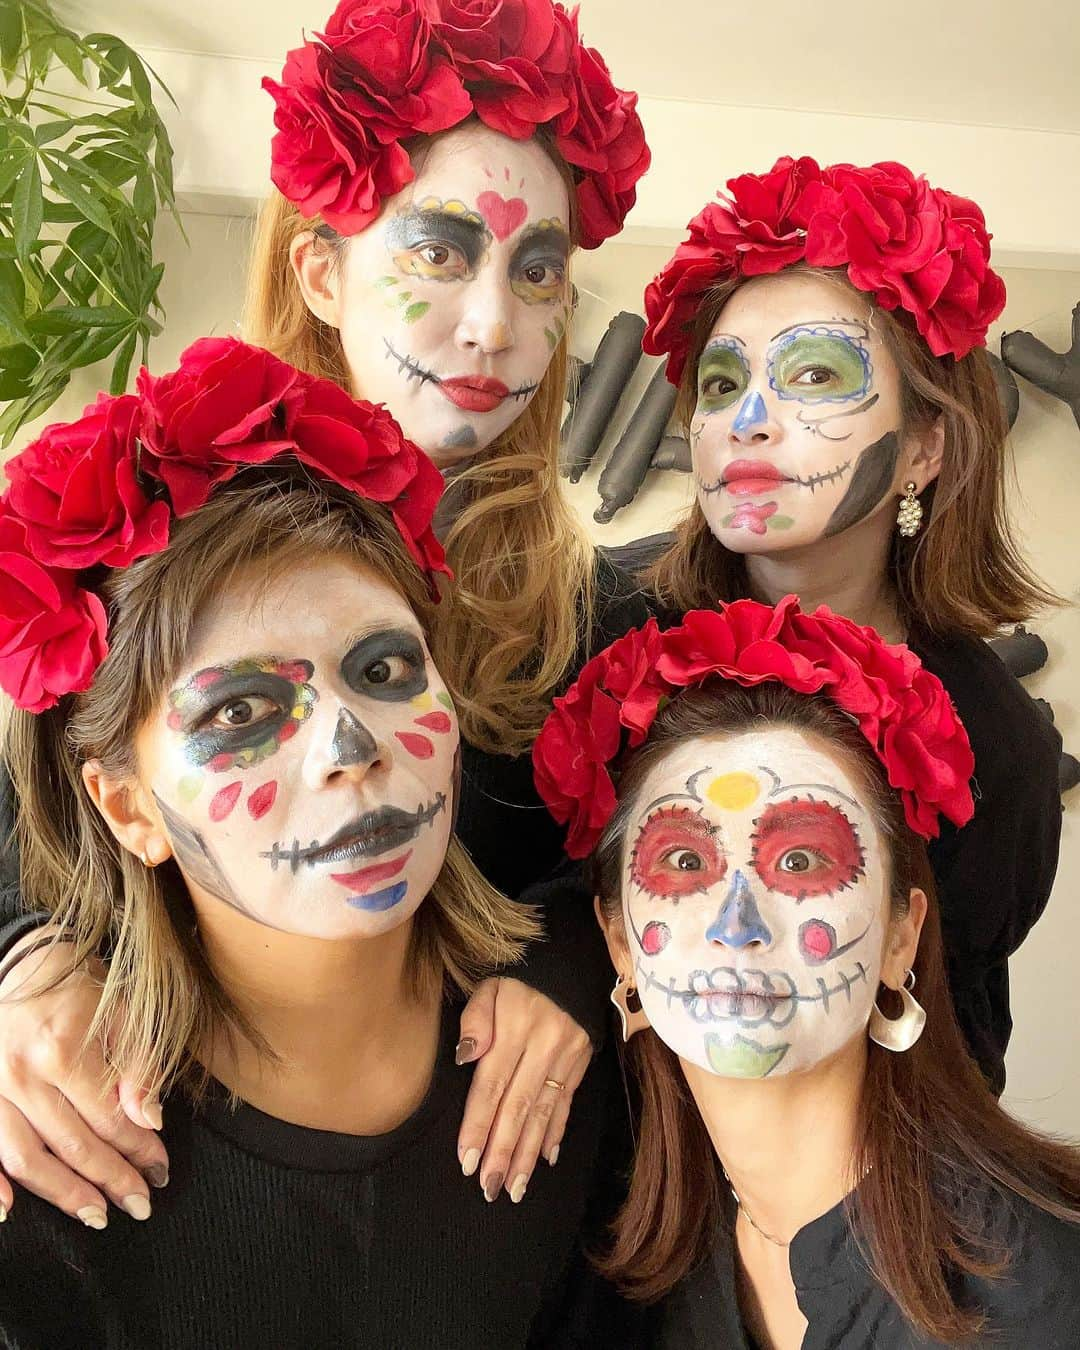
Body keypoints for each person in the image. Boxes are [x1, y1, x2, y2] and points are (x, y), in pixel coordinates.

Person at [0, 0, 653, 1225]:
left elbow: (612, 879)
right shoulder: (159, 537)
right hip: (173, 1167)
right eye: (440, 252)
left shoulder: (598, 618)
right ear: (320, 270)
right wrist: (26, 964)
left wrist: (566, 965)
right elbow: (37, 807)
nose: (492, 324)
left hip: (486, 1194)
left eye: (538, 270)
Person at [0, 343, 639, 1348]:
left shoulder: (561, 1079)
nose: (350, 745)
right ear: (129, 812)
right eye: (246, 709)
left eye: (383, 669)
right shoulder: (47, 1163)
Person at [532, 599, 1080, 1348]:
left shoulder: (1036, 1302)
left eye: (800, 861)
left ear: (900, 938)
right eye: (684, 862)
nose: (737, 926)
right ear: (620, 944)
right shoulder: (654, 1260)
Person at [640, 157, 1062, 1090]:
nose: (746, 420)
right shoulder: (602, 633)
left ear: (922, 448)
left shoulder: (993, 743)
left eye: (813, 376)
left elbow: (956, 1055)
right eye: (719, 385)